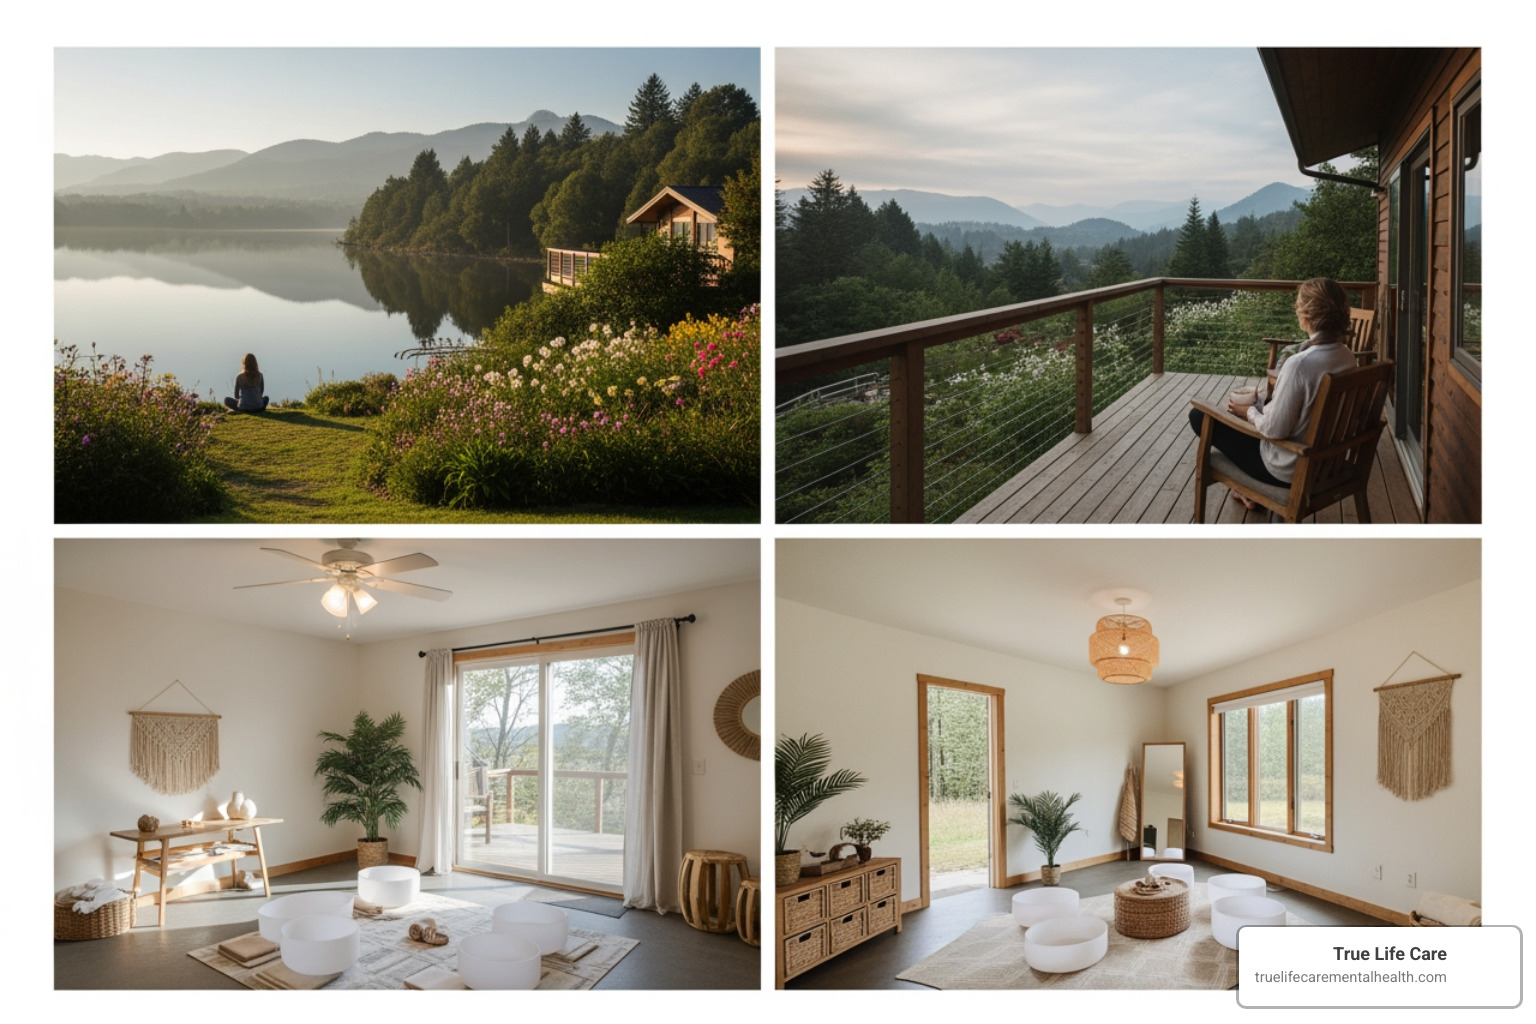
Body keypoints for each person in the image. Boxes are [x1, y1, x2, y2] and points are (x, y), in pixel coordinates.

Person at [1187, 277, 1358, 510]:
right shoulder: (1347, 356)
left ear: (1306, 315)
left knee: (1199, 416)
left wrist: (1249, 412)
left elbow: (1274, 430)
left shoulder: (1300, 365)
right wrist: (1260, 407)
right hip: (1328, 462)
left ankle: (1246, 489)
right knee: (1251, 417)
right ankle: (1246, 492)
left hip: (1288, 469)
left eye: (1298, 306)